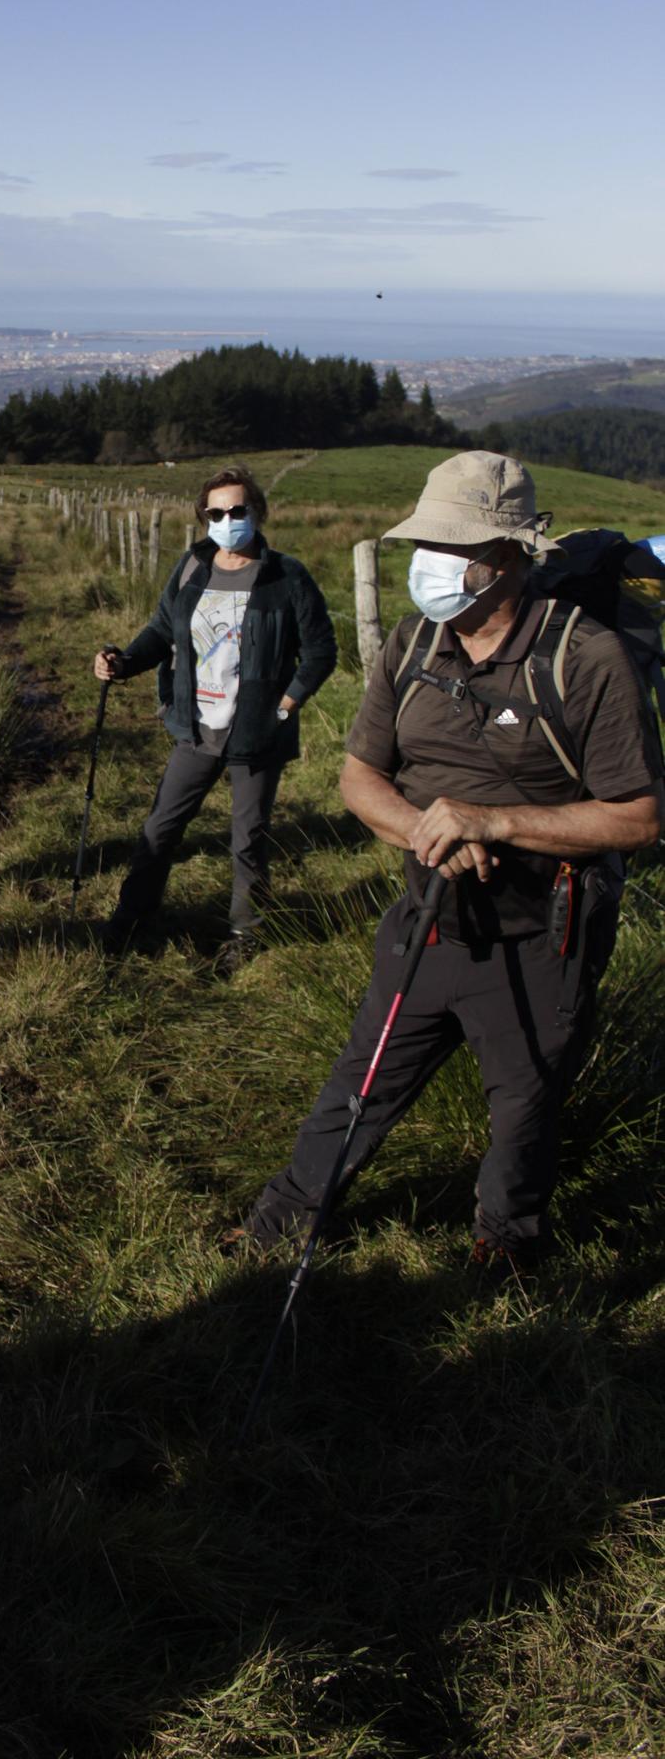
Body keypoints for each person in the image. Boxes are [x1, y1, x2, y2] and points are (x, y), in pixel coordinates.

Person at [238, 450, 662, 1274]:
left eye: (450, 550)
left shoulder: (585, 657)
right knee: (362, 1080)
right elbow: (359, 776)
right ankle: (279, 1227)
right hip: (427, 920)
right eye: (421, 546)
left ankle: (504, 1254)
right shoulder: (411, 642)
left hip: (546, 933)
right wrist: (422, 831)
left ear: (505, 560)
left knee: (523, 1107)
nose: (426, 566)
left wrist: (492, 822)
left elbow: (639, 818)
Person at [95, 463, 337, 963]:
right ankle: (129, 920)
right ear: (204, 517)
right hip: (196, 725)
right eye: (217, 511)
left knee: (248, 838)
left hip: (256, 732)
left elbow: (320, 652)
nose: (229, 519)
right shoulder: (191, 569)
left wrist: (285, 707)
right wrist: (124, 663)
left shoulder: (286, 576)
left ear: (258, 511)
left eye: (239, 509)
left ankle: (246, 935)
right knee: (159, 828)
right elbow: (162, 631)